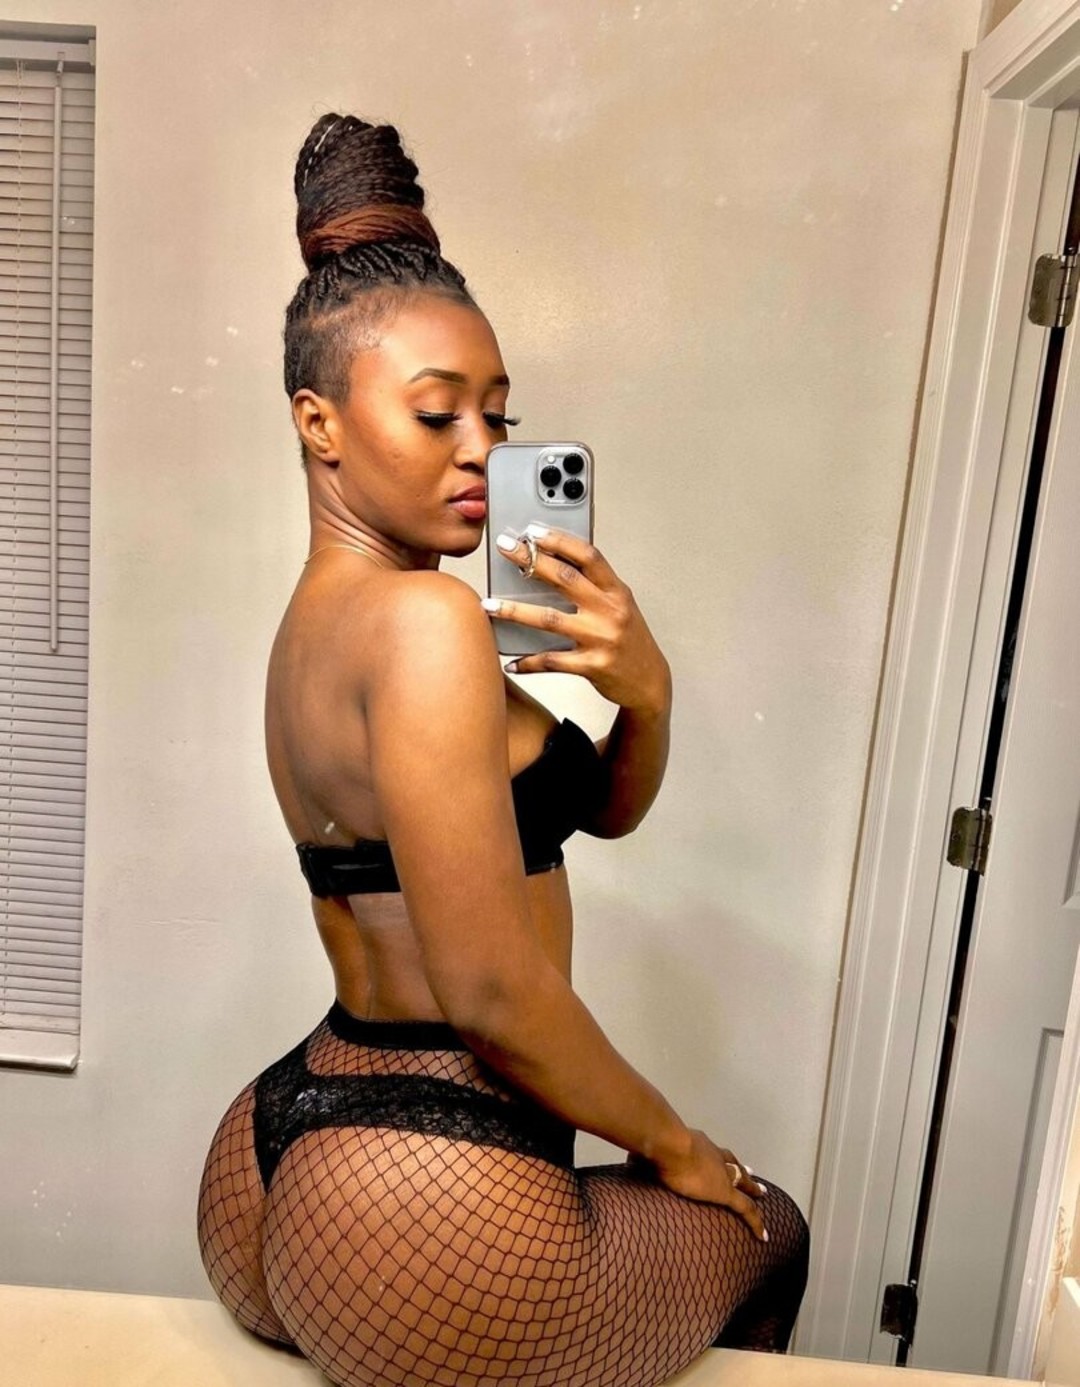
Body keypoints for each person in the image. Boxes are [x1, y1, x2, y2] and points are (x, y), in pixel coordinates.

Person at [197, 114, 809, 1387]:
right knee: (771, 1229)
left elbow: (602, 813)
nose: (482, 448)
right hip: (427, 1175)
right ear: (319, 423)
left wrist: (645, 693)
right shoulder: (423, 622)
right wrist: (679, 1145)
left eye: (496, 413)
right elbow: (489, 991)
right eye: (436, 415)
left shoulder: (318, 624)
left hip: (283, 1139)